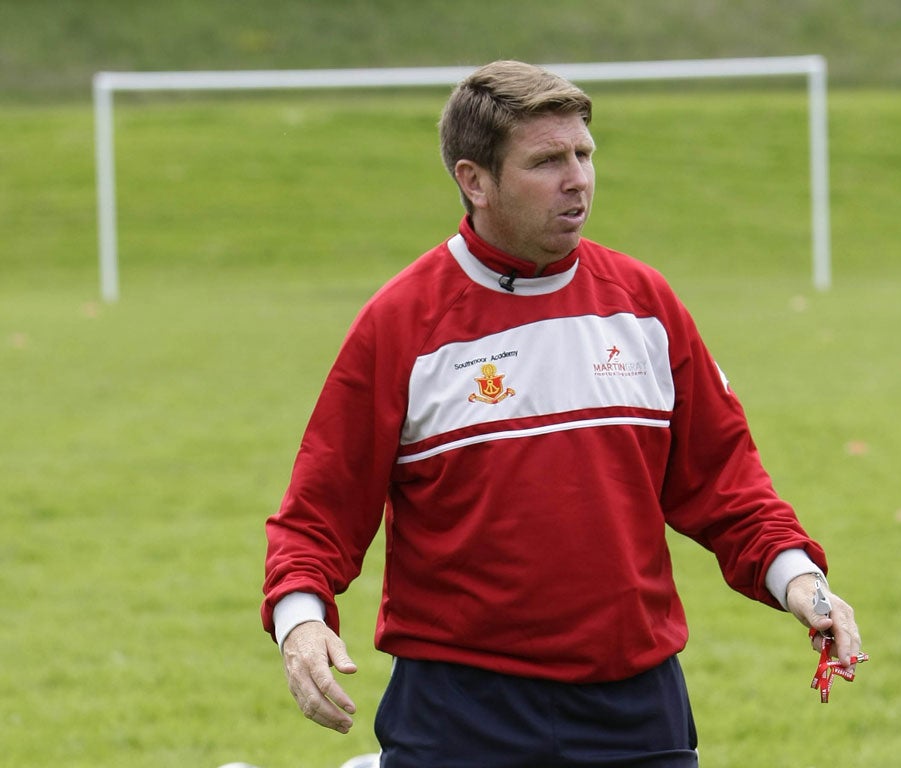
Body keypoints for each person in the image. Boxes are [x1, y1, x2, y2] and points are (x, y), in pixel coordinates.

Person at [262, 60, 862, 767]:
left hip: (636, 705)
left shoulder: (645, 305)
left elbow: (725, 484)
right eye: (547, 161)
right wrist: (301, 624)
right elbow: (319, 513)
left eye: (584, 154)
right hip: (459, 707)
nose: (577, 177)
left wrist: (802, 581)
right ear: (474, 180)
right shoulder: (402, 324)